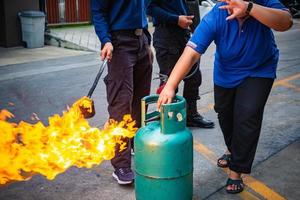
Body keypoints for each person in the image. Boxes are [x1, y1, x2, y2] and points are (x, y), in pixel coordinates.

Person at [157, 0, 292, 194]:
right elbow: (192, 52)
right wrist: (170, 85)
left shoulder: (264, 4)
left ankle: (236, 170)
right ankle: (232, 149)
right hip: (226, 72)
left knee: (247, 115)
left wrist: (250, 9)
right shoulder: (217, 15)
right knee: (224, 114)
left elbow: (285, 22)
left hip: (260, 69)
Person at [92, 0, 153, 185]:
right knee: (121, 105)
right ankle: (121, 164)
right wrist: (106, 40)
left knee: (141, 103)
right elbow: (98, 12)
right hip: (119, 44)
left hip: (141, 41)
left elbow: (144, 8)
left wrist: (147, 42)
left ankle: (134, 143)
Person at [147, 0, 215, 128]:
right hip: (166, 35)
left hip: (184, 34)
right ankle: (167, 119)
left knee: (194, 78)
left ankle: (191, 115)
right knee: (169, 82)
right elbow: (149, 9)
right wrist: (176, 19)